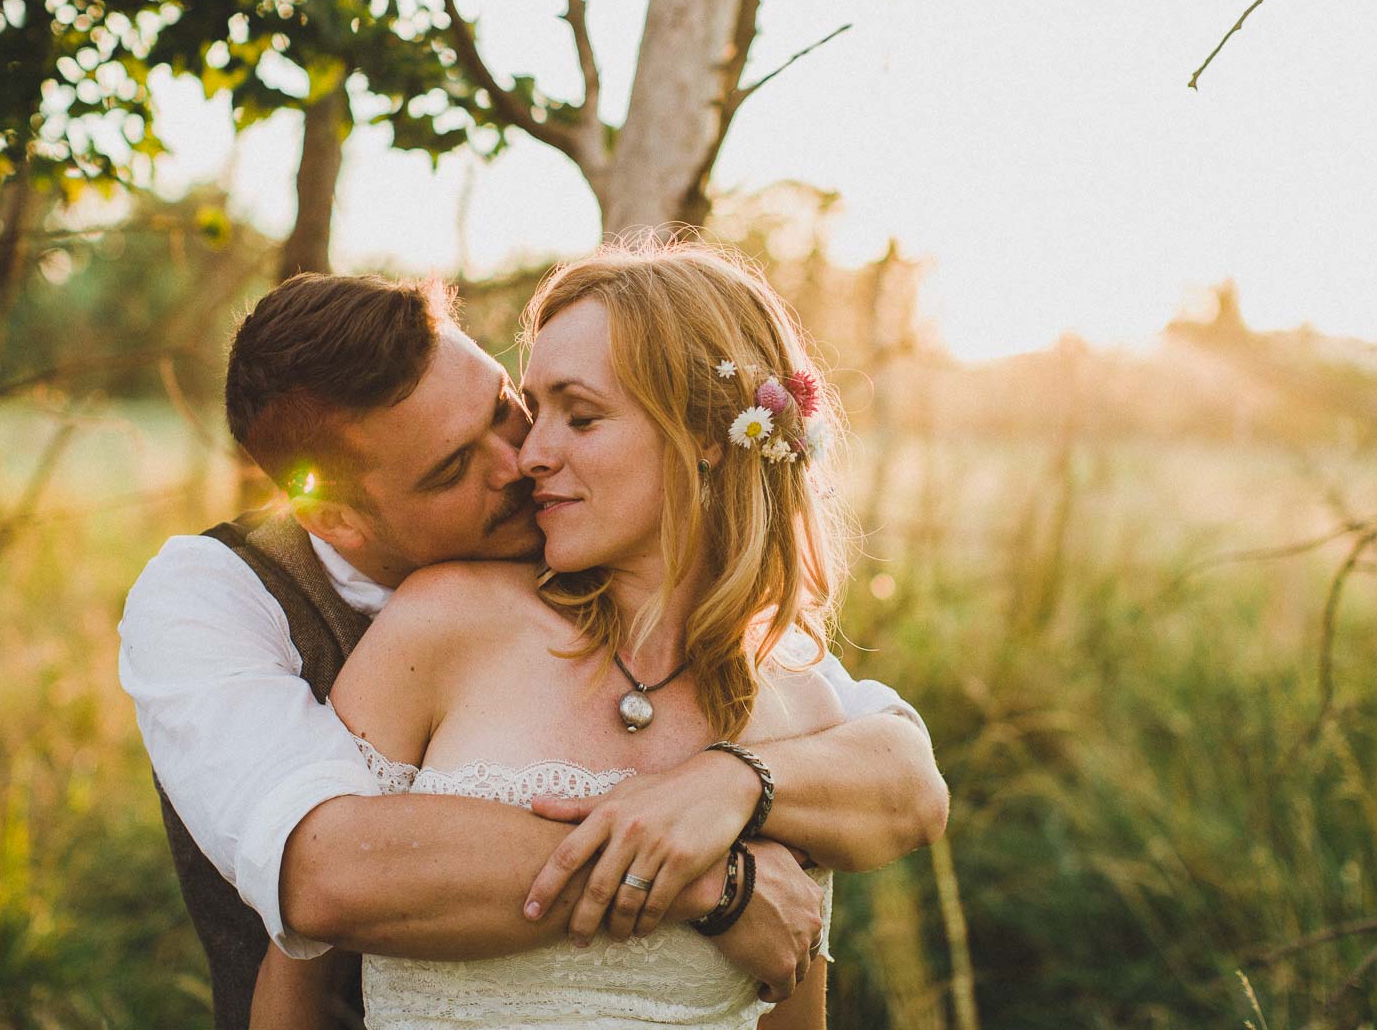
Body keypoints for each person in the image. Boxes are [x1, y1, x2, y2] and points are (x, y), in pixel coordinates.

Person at [119, 253, 948, 1029]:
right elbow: (324, 876)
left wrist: (736, 781)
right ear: (335, 515)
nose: (527, 460)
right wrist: (707, 877)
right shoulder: (227, 596)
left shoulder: (760, 664)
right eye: (451, 469)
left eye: (511, 411)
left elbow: (901, 775)